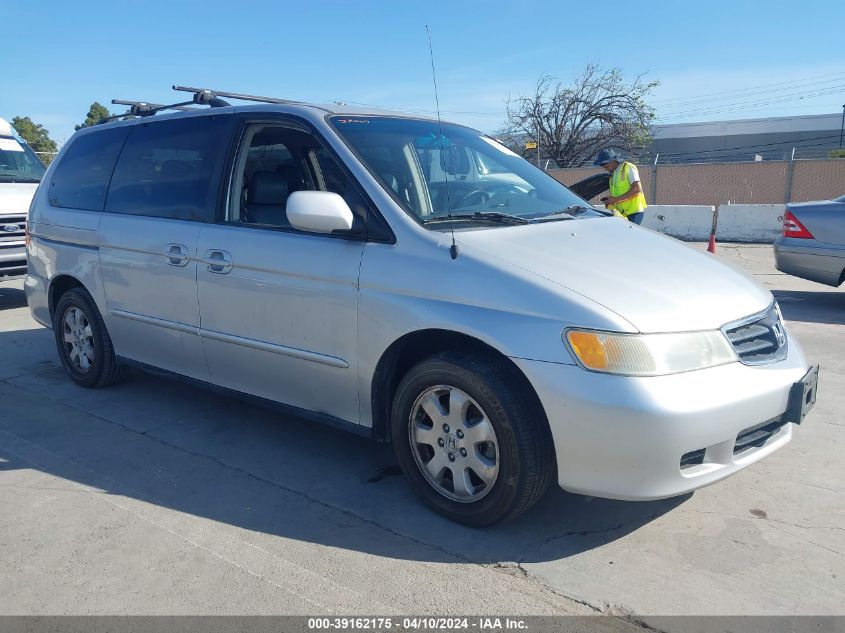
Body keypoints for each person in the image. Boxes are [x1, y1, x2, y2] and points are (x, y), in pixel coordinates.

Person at [593, 148, 647, 225]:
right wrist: (610, 201)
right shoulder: (613, 175)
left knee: (629, 236)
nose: (603, 167)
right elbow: (618, 194)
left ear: (613, 161)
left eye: (605, 165)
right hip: (621, 214)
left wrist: (615, 200)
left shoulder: (628, 167)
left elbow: (637, 189)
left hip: (634, 212)